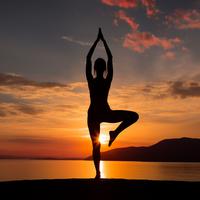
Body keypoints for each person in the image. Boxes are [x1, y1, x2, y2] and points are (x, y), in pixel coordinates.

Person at [86, 28, 139, 179]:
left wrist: (97, 41)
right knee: (134, 116)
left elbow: (88, 58)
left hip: (98, 113)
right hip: (99, 114)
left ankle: (98, 174)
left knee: (96, 146)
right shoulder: (106, 80)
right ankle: (98, 173)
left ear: (95, 69)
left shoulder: (92, 80)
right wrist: (103, 41)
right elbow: (110, 58)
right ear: (103, 69)